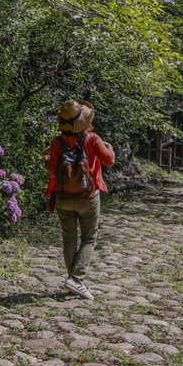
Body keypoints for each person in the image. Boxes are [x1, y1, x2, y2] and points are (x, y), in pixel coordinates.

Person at [43, 100, 115, 300]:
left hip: (63, 197)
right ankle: (76, 279)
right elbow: (109, 160)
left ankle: (72, 280)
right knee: (89, 238)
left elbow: (52, 170)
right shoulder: (92, 139)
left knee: (69, 238)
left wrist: (47, 160)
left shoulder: (57, 143)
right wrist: (111, 149)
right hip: (88, 197)